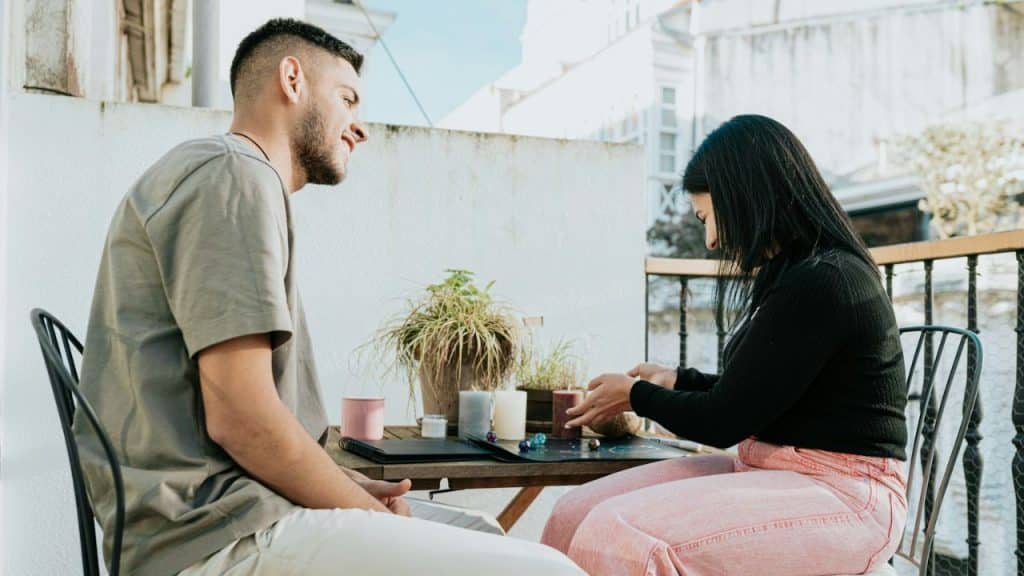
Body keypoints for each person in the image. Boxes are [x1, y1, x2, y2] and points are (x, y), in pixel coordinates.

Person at [73, 18, 583, 576]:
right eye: (348, 100)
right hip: (215, 537)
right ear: (292, 80)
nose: (359, 128)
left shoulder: (227, 177)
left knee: (487, 534)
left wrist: (344, 484)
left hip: (236, 514)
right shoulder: (232, 175)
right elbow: (240, 418)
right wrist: (366, 510)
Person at [541, 114, 909, 576]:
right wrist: (677, 380)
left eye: (707, 217)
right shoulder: (796, 276)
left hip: (848, 496)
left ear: (744, 198)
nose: (712, 240)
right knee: (571, 513)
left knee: (621, 535)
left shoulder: (826, 281)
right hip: (771, 470)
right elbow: (759, 392)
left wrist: (636, 396)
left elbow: (724, 420)